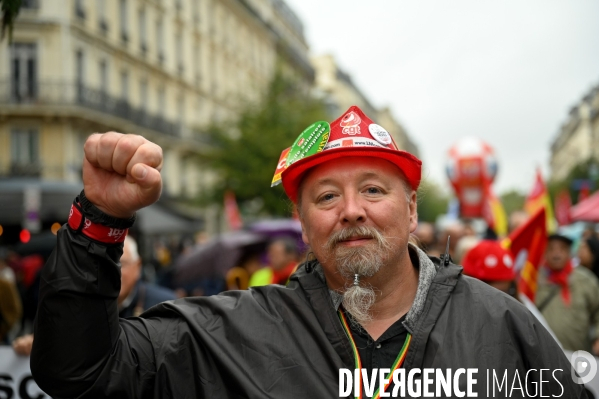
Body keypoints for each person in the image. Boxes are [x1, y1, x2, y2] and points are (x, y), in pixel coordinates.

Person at [31, 106, 584, 398]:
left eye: (373, 189)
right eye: (326, 196)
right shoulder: (231, 336)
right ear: (303, 223)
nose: (351, 210)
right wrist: (98, 220)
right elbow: (81, 373)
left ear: (411, 210)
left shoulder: (502, 326)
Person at [536, 233, 599, 354]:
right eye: (551, 249)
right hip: (543, 356)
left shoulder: (586, 280)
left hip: (578, 357)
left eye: (562, 249)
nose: (556, 254)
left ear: (570, 252)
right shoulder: (534, 280)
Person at [118, 235, 177, 318]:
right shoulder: (95, 306)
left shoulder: (164, 305)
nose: (111, 272)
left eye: (121, 264)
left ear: (137, 266)